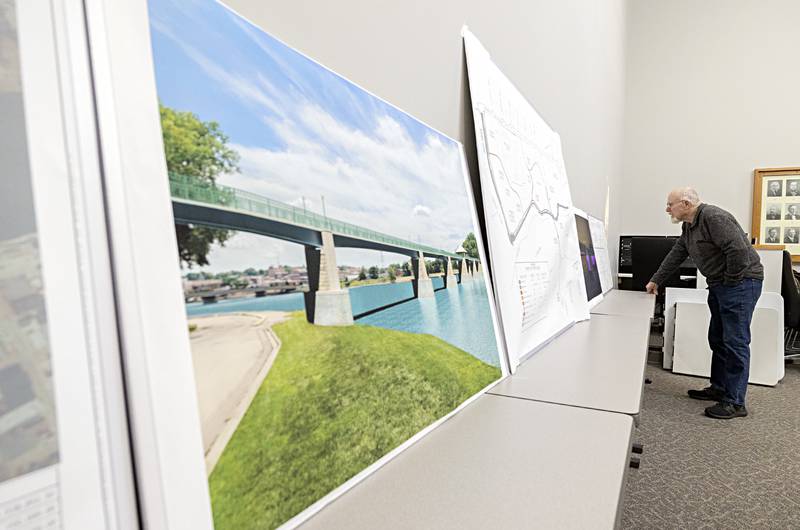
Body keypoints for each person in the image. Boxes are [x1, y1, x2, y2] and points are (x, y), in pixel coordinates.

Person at [646, 188, 762, 420]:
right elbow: (677, 254)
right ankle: (720, 388)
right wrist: (656, 280)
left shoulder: (714, 218)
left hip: (740, 283)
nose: (667, 209)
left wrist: (728, 282)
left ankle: (735, 402)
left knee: (735, 341)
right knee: (718, 338)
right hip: (722, 285)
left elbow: (738, 251)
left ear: (686, 203)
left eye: (671, 204)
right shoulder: (689, 226)